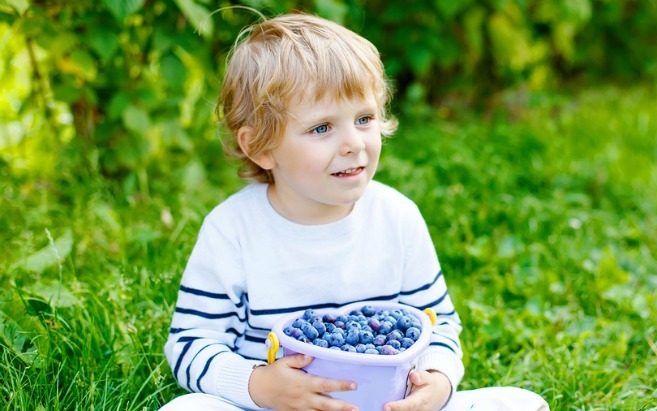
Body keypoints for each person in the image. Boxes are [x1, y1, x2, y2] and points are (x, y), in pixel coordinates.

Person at [161, 12, 550, 411]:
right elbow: (191, 342)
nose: (353, 143)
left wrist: (436, 381)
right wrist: (257, 384)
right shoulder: (232, 230)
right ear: (260, 147)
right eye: (322, 128)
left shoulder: (397, 218)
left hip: (385, 404)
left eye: (364, 119)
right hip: (280, 406)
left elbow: (438, 325)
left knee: (522, 403)